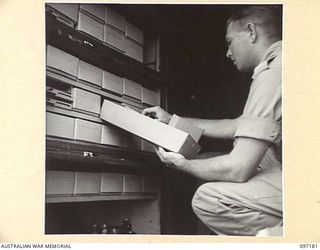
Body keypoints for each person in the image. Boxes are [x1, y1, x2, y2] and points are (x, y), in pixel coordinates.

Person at [142, 5, 282, 236]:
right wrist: (172, 119)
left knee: (208, 198)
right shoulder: (283, 62)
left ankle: (284, 235)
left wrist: (181, 164)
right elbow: (238, 125)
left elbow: (237, 170)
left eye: (229, 42)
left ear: (251, 31)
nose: (228, 53)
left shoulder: (272, 75)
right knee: (215, 159)